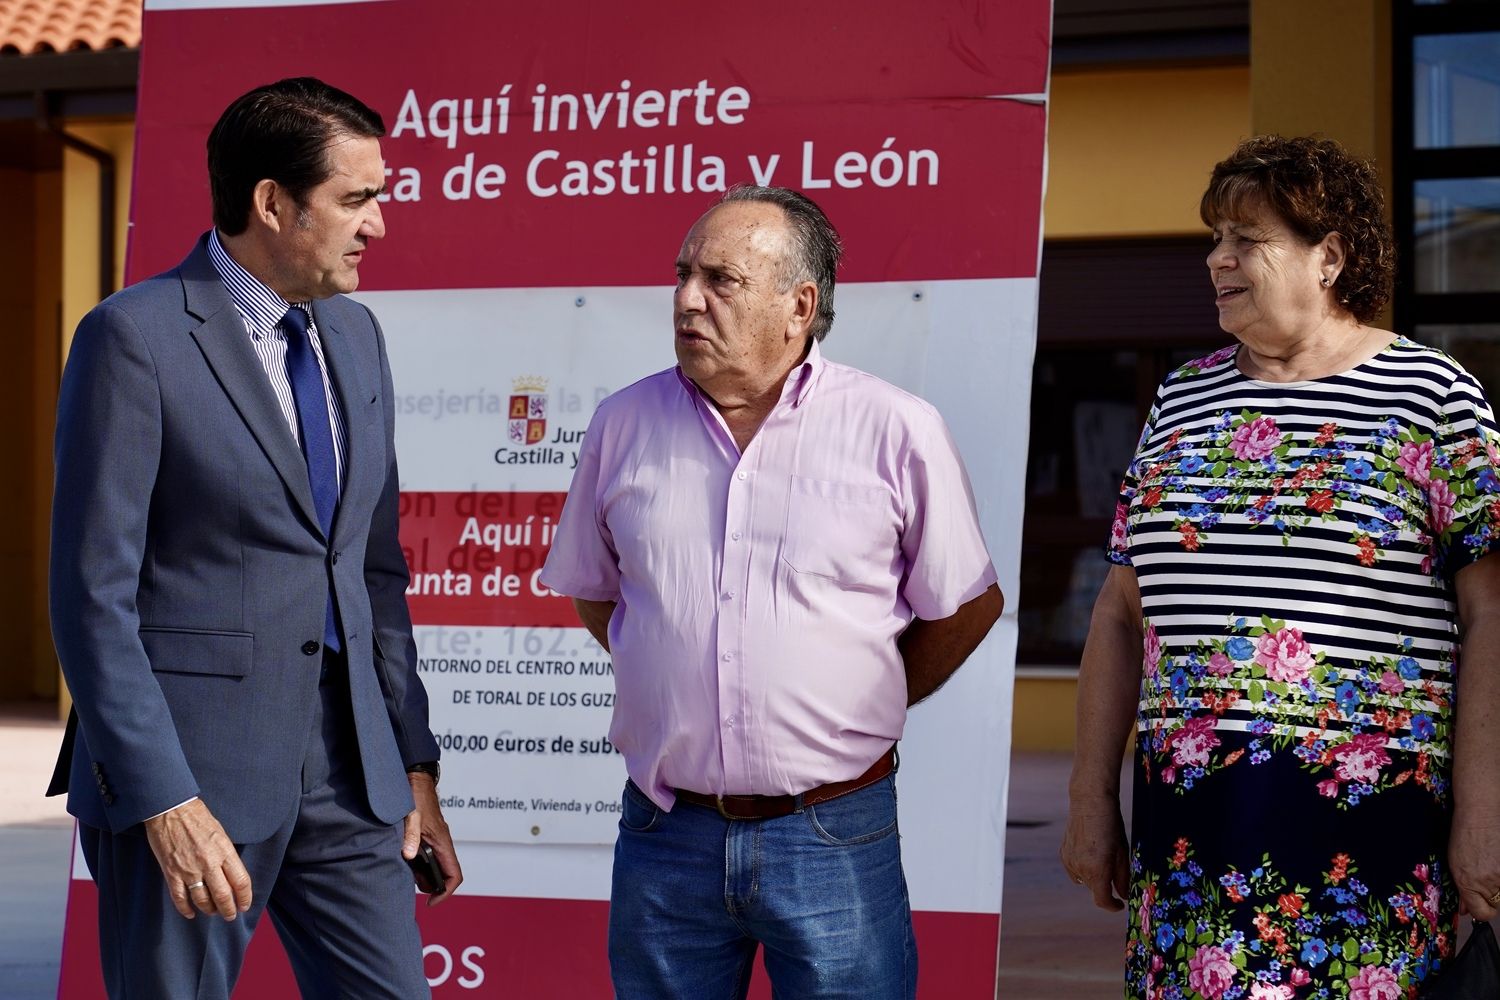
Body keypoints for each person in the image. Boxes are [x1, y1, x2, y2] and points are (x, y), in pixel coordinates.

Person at [47, 77, 462, 999]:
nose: (379, 224)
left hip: (353, 776)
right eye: (357, 199)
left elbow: (374, 572)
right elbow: (91, 598)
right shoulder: (132, 338)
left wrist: (413, 762)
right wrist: (163, 796)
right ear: (272, 203)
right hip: (194, 776)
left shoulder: (356, 337)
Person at [1061, 134, 1500, 998]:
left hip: (1367, 840)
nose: (1216, 259)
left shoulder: (1435, 397)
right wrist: (1088, 799)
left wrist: (1484, 809)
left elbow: (1492, 615)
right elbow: (1120, 611)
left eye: (1244, 239)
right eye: (1212, 238)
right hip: (1191, 839)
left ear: (1327, 256)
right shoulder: (1182, 398)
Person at [540, 185, 1003, 999]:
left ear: (799, 304)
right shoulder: (622, 423)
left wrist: (870, 695)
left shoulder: (896, 428)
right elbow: (598, 595)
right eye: (683, 274)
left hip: (832, 831)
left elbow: (967, 604)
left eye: (721, 279)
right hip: (665, 832)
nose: (687, 299)